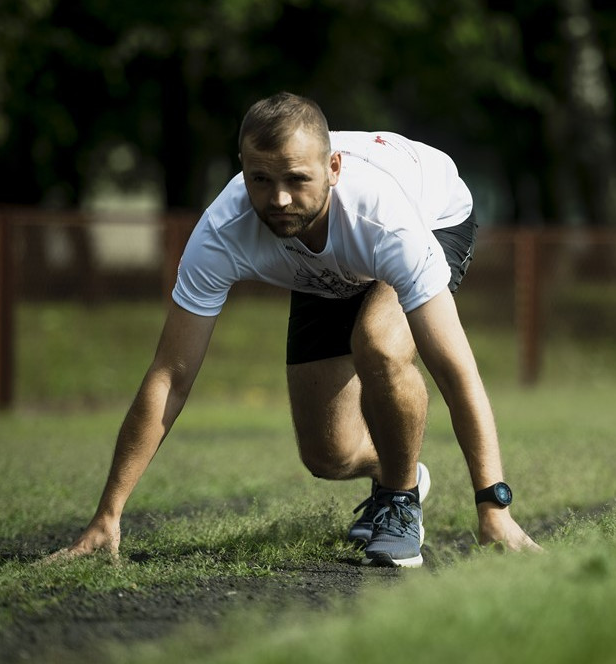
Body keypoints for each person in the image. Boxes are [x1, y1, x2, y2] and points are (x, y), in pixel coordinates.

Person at [48, 92, 539, 568]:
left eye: (296, 179)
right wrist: (107, 516)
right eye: (260, 178)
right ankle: (400, 467)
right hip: (325, 256)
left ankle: (399, 500)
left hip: (433, 215)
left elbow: (456, 371)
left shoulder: (385, 223)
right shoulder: (223, 230)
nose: (279, 198)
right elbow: (170, 377)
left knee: (379, 344)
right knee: (330, 455)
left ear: (334, 169)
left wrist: (494, 508)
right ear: (242, 170)